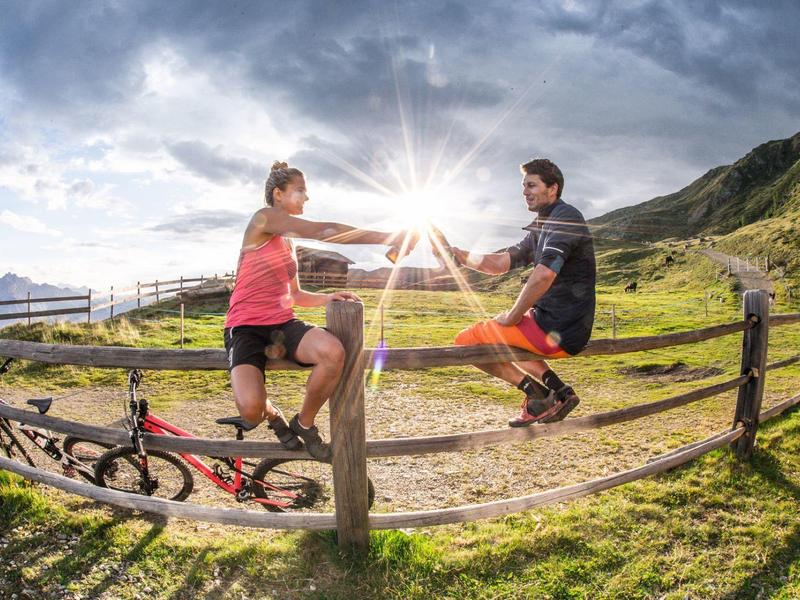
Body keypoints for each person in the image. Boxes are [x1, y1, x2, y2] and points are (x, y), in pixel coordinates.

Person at [224, 161, 418, 460]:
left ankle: (303, 423)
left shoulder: (287, 243)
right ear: (278, 194)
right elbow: (326, 230)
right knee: (251, 409)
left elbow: (295, 295)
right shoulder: (263, 219)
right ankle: (273, 415)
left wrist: (328, 298)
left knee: (332, 352)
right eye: (300, 190)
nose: (306, 197)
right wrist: (387, 236)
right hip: (246, 326)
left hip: (282, 324)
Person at [447, 158, 596, 426]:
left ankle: (536, 394)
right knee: (505, 339)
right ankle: (560, 391)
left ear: (553, 188)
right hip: (557, 324)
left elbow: (544, 274)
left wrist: (514, 315)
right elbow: (503, 262)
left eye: (531, 185)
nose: (524, 191)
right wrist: (462, 256)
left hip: (558, 326)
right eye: (523, 186)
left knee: (466, 341)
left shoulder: (565, 218)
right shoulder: (541, 226)